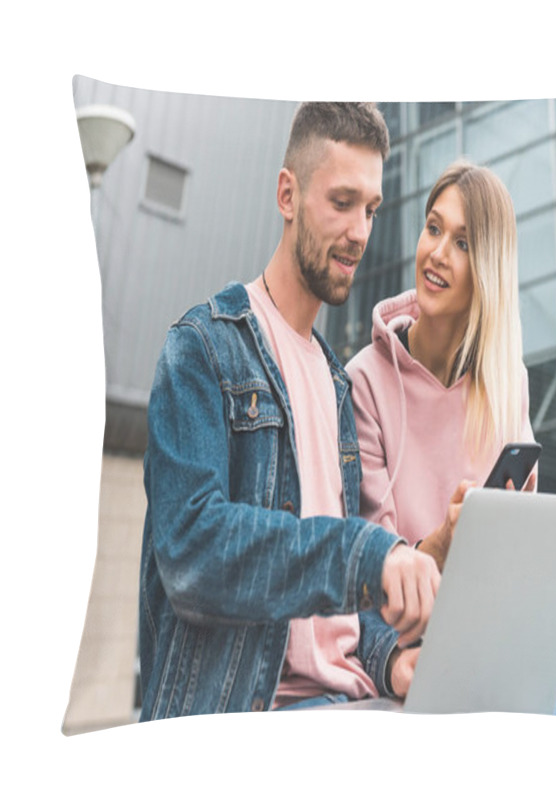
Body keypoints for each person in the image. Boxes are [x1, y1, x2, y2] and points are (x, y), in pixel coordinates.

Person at [138, 102, 443, 721]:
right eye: (342, 202)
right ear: (287, 194)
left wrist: (389, 658)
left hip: (356, 702)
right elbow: (193, 554)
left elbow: (337, 616)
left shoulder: (337, 385)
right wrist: (364, 553)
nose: (361, 230)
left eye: (372, 209)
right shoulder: (203, 349)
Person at [346, 162, 556, 718]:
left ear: (486, 269)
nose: (437, 253)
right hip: (413, 643)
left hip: (502, 627)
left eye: (462, 243)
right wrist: (442, 543)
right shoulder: (363, 381)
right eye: (433, 228)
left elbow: (527, 553)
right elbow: (366, 572)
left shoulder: (508, 385)